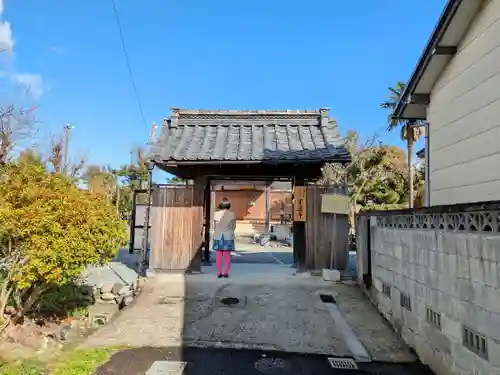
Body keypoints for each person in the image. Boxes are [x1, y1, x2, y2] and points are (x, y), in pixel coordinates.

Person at [213, 197, 236, 278]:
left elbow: (215, 226)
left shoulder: (216, 214)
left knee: (219, 254)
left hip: (219, 235)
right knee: (227, 255)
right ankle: (226, 272)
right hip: (228, 236)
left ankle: (219, 272)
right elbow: (233, 227)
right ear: (228, 205)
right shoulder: (231, 214)